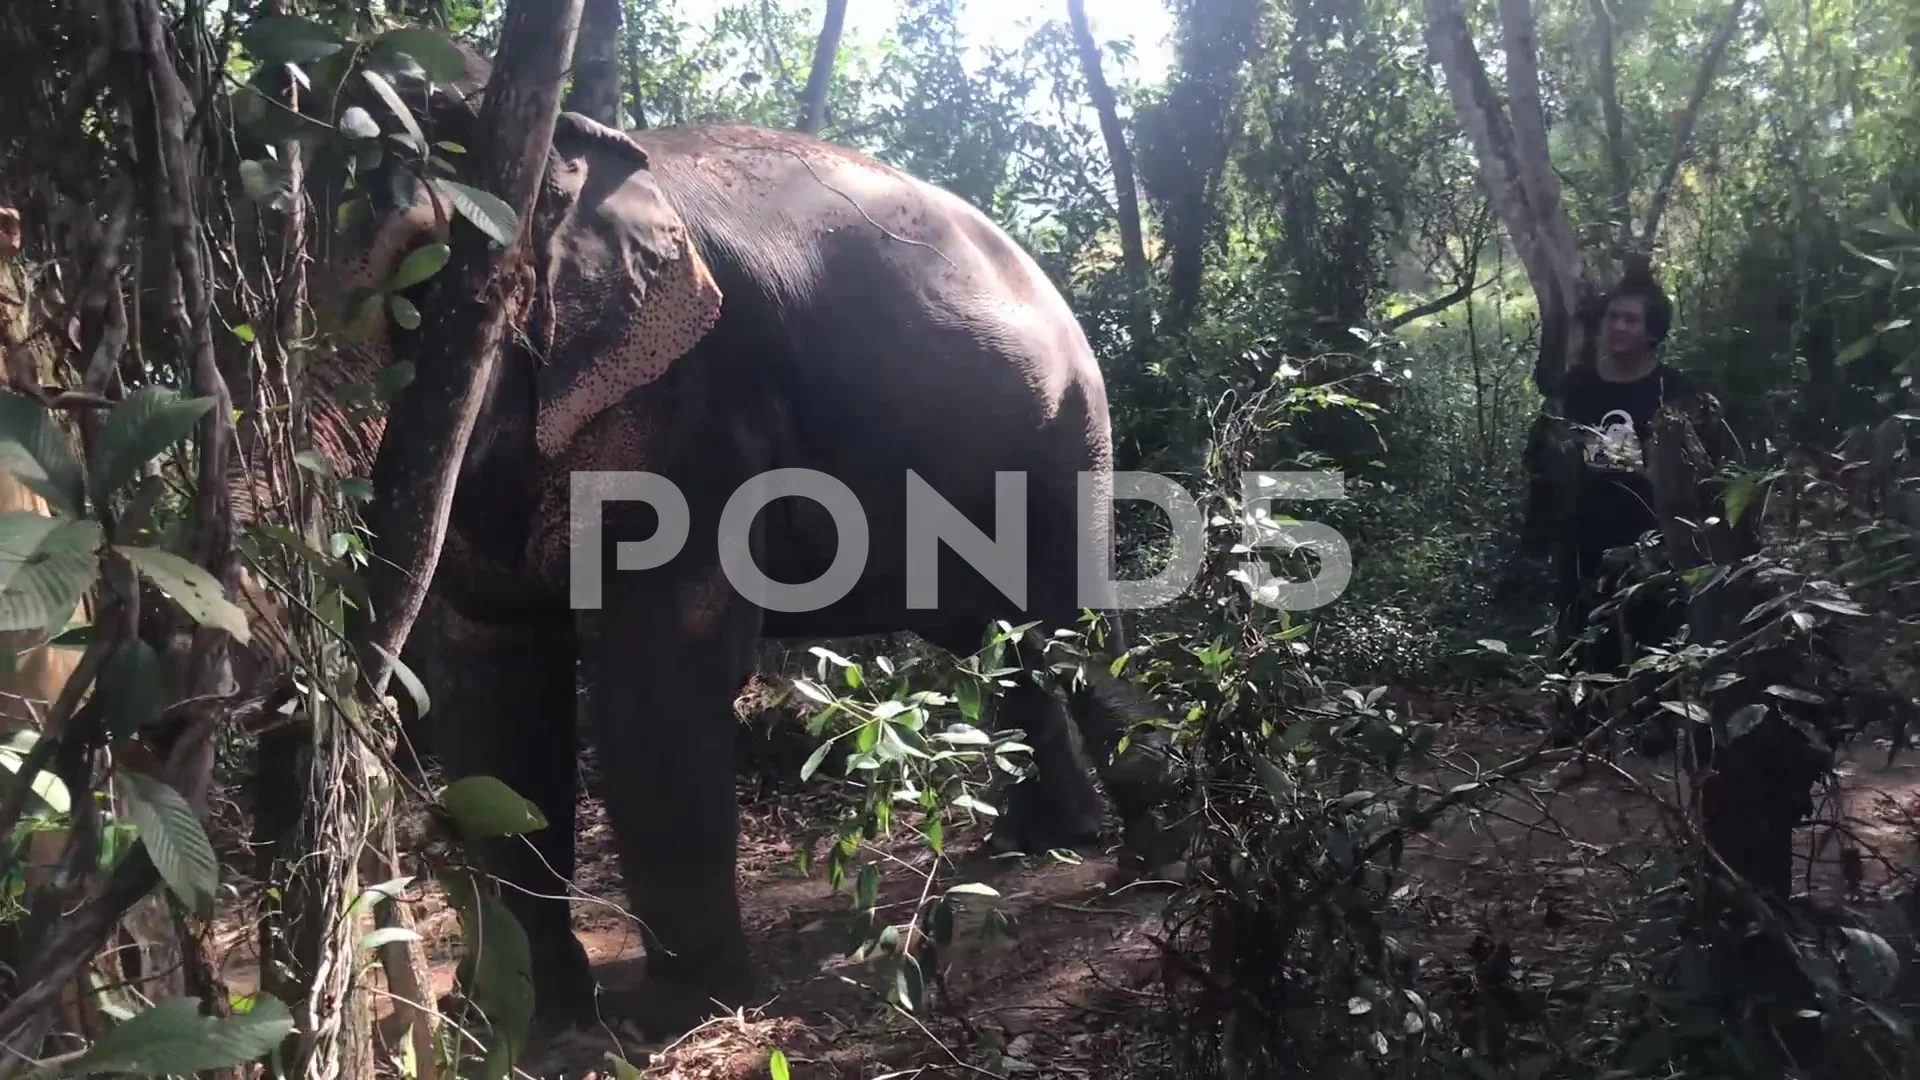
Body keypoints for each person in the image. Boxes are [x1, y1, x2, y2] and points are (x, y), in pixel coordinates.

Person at [1550, 270, 1697, 704]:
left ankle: (1653, 719)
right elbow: (1551, 453)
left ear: (1652, 331)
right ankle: (1577, 720)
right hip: (1583, 527)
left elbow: (1695, 462)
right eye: (1613, 317)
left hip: (1651, 530)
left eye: (1630, 320)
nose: (1617, 327)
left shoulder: (1672, 388)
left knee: (1653, 624)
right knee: (1579, 626)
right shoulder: (1577, 385)